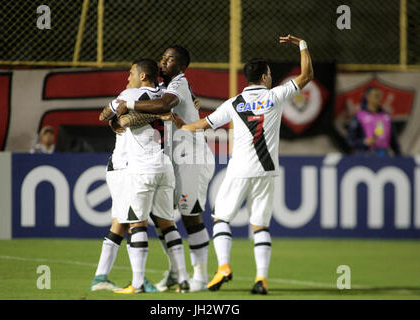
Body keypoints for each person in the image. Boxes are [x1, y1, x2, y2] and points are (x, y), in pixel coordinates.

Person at [179, 35, 314, 295]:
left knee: (221, 219)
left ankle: (224, 267)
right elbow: (306, 75)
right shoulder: (275, 96)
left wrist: (181, 126)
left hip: (239, 169)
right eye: (270, 74)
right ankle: (261, 280)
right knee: (260, 226)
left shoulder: (235, 103)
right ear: (264, 77)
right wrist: (302, 45)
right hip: (267, 170)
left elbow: (204, 125)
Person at [115, 46, 215, 292]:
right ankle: (174, 272)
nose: (163, 62)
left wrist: (128, 103)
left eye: (169, 60)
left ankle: (200, 278)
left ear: (180, 66)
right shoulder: (170, 87)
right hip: (176, 161)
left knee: (191, 215)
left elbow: (164, 105)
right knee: (162, 218)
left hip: (192, 158)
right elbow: (165, 101)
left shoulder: (178, 84)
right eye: (162, 58)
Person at [100, 58, 191, 294]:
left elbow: (104, 115)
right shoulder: (165, 95)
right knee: (167, 224)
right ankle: (182, 279)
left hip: (142, 168)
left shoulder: (130, 95)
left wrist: (118, 116)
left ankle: (138, 283)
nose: (127, 77)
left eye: (130, 73)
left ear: (142, 76)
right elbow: (170, 109)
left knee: (137, 224)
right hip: (165, 166)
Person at [347, 86, 401, 156]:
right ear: (368, 97)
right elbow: (350, 140)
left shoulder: (386, 116)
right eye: (376, 96)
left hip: (383, 154)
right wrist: (364, 142)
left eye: (380, 96)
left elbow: (393, 139)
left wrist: (399, 155)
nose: (379, 99)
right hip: (365, 154)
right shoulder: (359, 116)